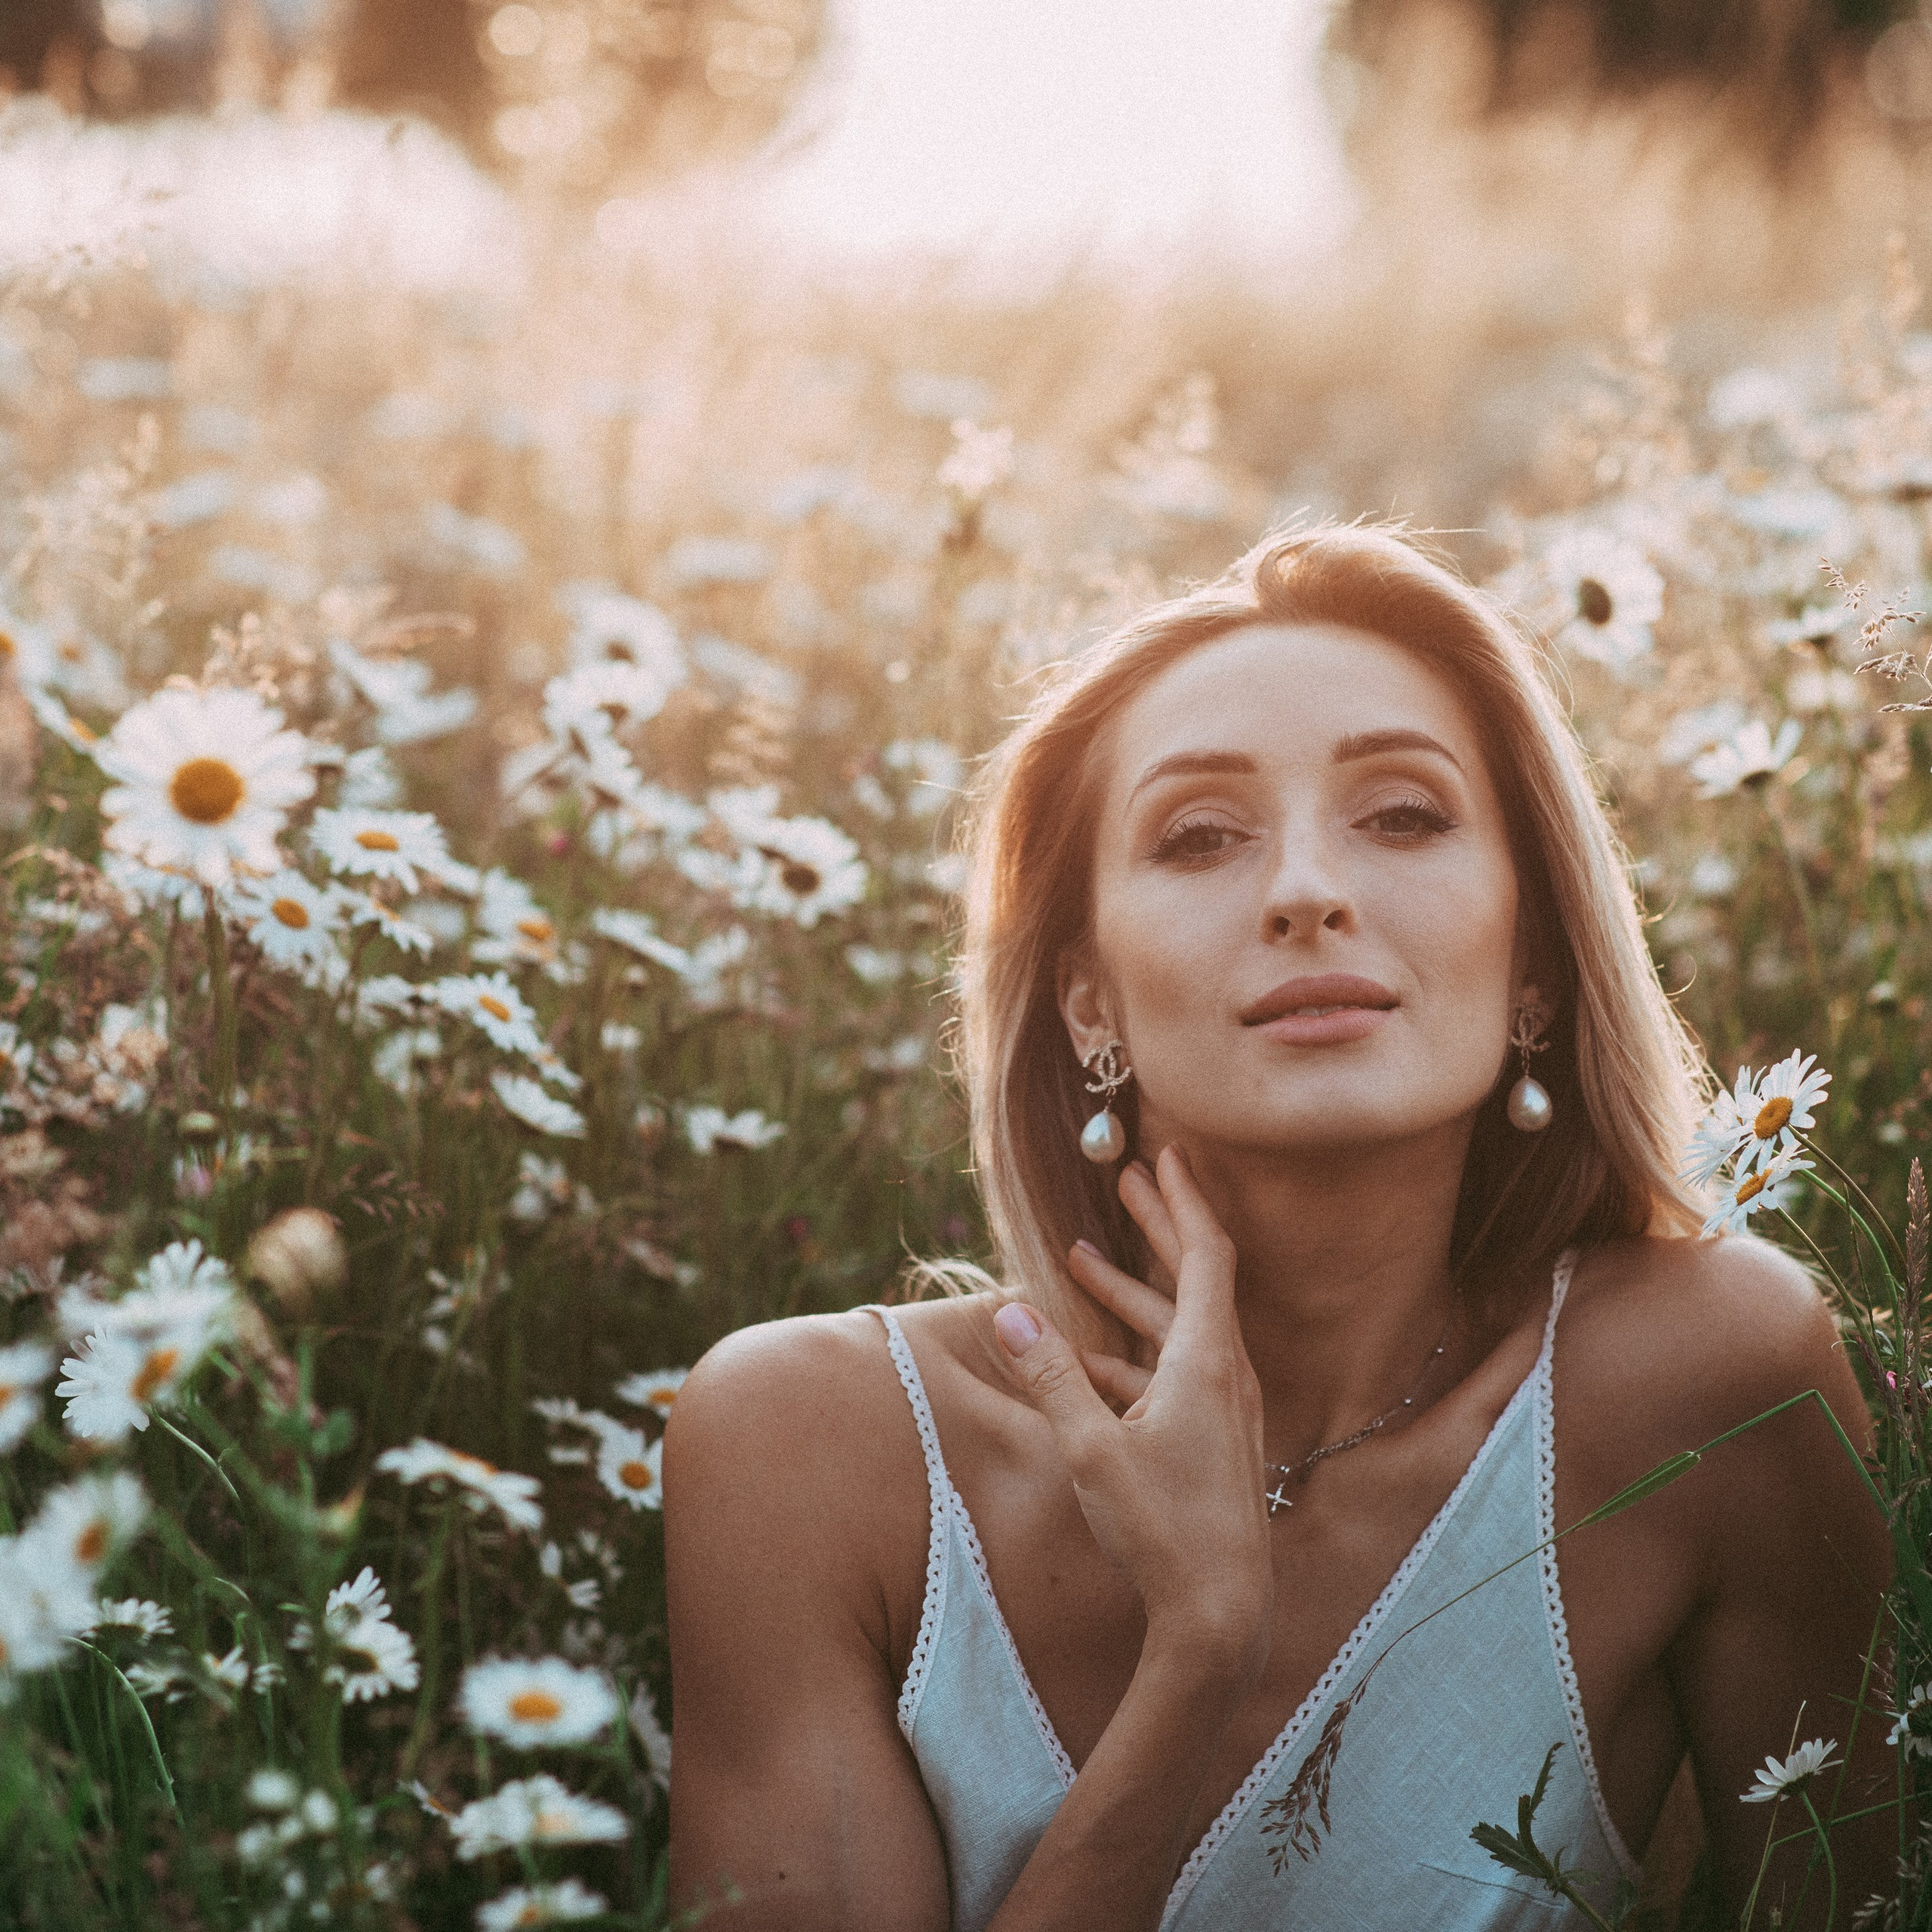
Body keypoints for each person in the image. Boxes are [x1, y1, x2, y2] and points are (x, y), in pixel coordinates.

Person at [663, 524, 1890, 1930]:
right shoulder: (809, 1454)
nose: (1309, 889)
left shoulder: (1715, 1380)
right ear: (1089, 1003)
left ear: (1535, 965)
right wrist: (1195, 1653)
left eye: (1405, 816)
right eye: (1200, 837)